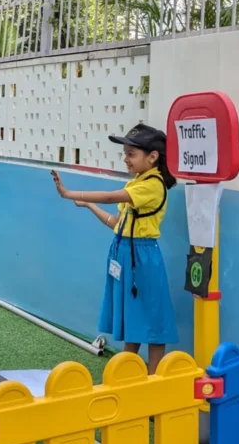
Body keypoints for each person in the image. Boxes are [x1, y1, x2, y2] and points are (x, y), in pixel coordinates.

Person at [51, 123, 178, 374]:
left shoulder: (152, 185)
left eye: (131, 154)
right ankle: (127, 376)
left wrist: (68, 193)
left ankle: (153, 382)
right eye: (126, 154)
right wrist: (88, 207)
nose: (126, 159)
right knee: (134, 319)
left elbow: (111, 197)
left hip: (143, 257)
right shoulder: (137, 183)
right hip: (126, 252)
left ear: (152, 157)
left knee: (152, 320)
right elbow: (117, 224)